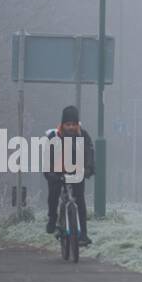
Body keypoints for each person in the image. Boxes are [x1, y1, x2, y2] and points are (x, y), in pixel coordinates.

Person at [44, 105, 96, 245]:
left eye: (74, 124)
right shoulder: (53, 137)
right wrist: (50, 173)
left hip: (77, 171)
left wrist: (89, 169)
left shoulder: (83, 135)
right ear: (62, 124)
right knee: (54, 194)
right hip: (57, 171)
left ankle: (83, 235)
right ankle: (52, 219)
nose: (71, 127)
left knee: (80, 200)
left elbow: (90, 153)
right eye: (68, 124)